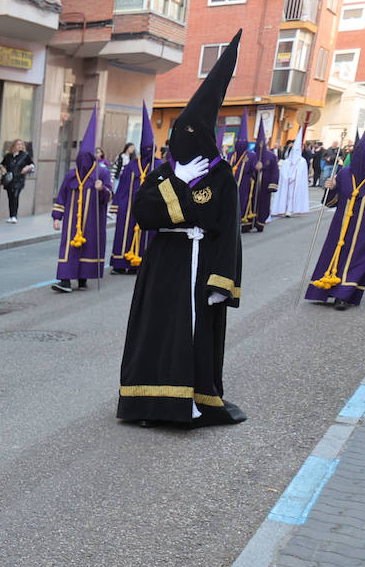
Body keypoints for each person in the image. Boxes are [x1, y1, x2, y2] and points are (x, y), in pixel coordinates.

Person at [117, 31, 246, 428]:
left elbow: (229, 233)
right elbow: (143, 213)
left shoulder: (222, 176)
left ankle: (189, 403)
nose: (181, 141)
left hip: (199, 264)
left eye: (190, 134)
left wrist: (222, 283)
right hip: (163, 266)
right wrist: (176, 182)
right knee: (156, 332)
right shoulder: (164, 173)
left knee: (191, 335)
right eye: (178, 134)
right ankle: (148, 403)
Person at [306, 91, 365, 310]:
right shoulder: (345, 173)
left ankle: (344, 295)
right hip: (341, 225)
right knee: (334, 254)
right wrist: (331, 189)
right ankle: (326, 289)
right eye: (362, 150)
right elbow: (332, 202)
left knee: (359, 258)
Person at [51, 108, 111, 292]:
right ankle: (65, 281)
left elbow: (109, 196)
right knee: (68, 247)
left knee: (89, 246)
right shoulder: (71, 175)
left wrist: (102, 189)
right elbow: (62, 196)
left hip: (92, 220)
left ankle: (83, 278)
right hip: (72, 221)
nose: (83, 161)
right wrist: (57, 217)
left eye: (87, 158)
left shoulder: (101, 173)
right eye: (81, 158)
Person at [110, 107, 153, 275]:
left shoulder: (158, 166)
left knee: (145, 236)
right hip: (128, 208)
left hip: (148, 210)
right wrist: (116, 206)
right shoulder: (131, 166)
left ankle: (139, 265)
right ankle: (120, 264)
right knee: (124, 233)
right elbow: (121, 186)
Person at [246, 119, 280, 232]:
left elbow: (275, 171)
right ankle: (248, 222)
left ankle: (260, 222)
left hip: (265, 186)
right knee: (250, 203)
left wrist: (272, 185)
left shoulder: (271, 156)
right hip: (252, 185)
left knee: (263, 204)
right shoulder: (252, 155)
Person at [273, 124, 310, 217]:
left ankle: (290, 210)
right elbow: (283, 171)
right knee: (284, 195)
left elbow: (302, 173)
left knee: (292, 196)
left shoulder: (302, 161)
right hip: (287, 181)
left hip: (296, 182)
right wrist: (287, 177)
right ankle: (283, 209)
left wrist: (294, 177)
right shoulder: (287, 161)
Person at [0, 138, 34, 223]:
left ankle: (14, 216)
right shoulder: (8, 156)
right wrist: (3, 169)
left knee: (15, 196)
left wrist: (27, 167)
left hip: (19, 179)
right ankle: (11, 216)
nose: (19, 146)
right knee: (10, 197)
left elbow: (32, 165)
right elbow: (1, 164)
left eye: (21, 144)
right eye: (18, 144)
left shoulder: (25, 155)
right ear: (14, 145)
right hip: (9, 179)